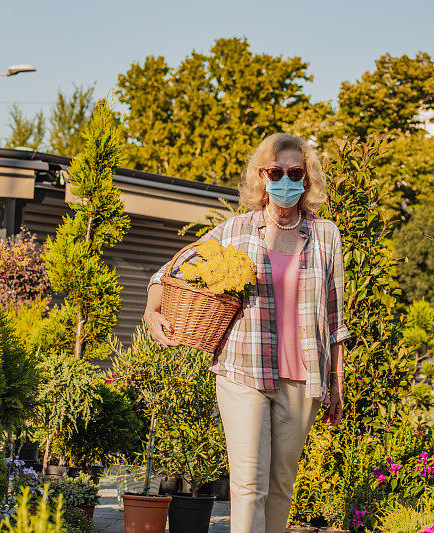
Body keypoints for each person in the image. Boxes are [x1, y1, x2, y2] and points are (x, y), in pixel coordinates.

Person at [143, 133, 350, 533]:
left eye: (295, 172)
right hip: (242, 371)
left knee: (281, 486)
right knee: (248, 485)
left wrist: (337, 384)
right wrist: (153, 311)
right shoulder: (236, 230)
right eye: (276, 171)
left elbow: (335, 317)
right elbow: (168, 270)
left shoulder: (326, 235)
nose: (285, 180)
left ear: (306, 180)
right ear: (262, 176)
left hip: (301, 379)